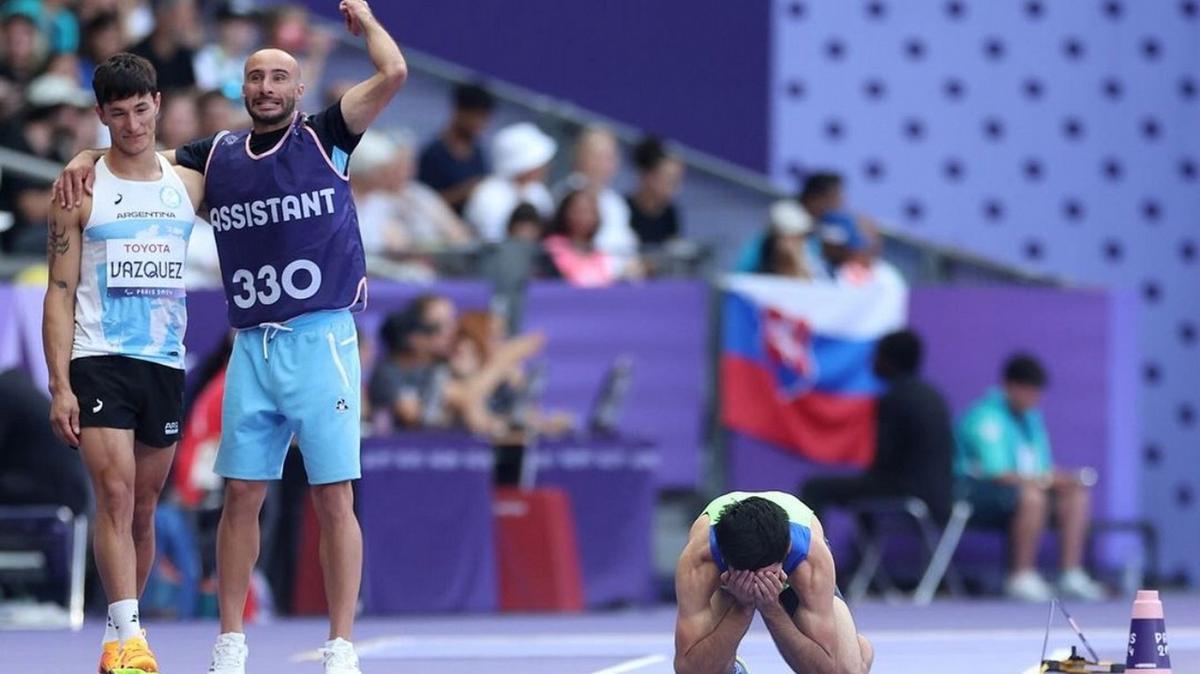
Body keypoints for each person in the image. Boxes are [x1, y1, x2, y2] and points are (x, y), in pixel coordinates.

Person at [55, 2, 406, 671]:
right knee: (241, 493)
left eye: (280, 76)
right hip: (252, 346)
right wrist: (84, 151)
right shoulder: (214, 157)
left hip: (321, 339)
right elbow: (135, 157)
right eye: (256, 77)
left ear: (298, 90)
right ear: (240, 90)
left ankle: (341, 645)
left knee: (335, 494)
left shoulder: (328, 136)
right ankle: (231, 640)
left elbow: (393, 73)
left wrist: (364, 20)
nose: (267, 87)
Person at [41, 52, 203, 674]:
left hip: (163, 361)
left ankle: (116, 640)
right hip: (99, 356)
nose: (133, 124)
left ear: (158, 104)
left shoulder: (188, 183)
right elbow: (58, 291)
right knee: (114, 492)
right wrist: (61, 385)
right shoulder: (78, 190)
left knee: (143, 506)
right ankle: (135, 641)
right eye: (119, 114)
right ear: (101, 115)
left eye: (141, 110)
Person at [955, 354, 1107, 602]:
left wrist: (1064, 479)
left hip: (1022, 491)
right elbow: (998, 474)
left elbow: (1042, 468)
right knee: (1032, 496)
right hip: (977, 495)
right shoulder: (984, 418)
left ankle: (1071, 574)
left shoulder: (1031, 418)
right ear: (1009, 386)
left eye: (1036, 393)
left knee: (1076, 494)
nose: (1033, 399)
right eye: (1027, 391)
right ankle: (1020, 576)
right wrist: (1046, 481)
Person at [675, 492, 873, 674]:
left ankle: (857, 650)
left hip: (789, 563)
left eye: (766, 574)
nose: (756, 582)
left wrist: (772, 609)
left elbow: (824, 669)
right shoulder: (700, 561)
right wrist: (741, 608)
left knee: (847, 670)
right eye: (746, 575)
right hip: (726, 580)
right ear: (727, 562)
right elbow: (687, 669)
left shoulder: (810, 559)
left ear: (784, 555)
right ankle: (730, 668)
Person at [801, 330, 955, 523]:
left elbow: (885, 462)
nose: (872, 363)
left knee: (815, 488)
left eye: (877, 356)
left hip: (907, 492)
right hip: (940, 497)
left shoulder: (895, 398)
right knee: (868, 490)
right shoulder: (934, 397)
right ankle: (862, 553)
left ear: (888, 361)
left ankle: (811, 552)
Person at [418, 82, 495, 212]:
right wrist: (463, 192)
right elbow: (420, 201)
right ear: (459, 111)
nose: (481, 124)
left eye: (485, 118)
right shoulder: (433, 154)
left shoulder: (479, 154)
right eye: (477, 116)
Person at [626, 135, 684, 245]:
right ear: (649, 176)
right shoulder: (622, 209)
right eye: (670, 180)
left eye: (677, 181)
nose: (676, 188)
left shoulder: (670, 215)